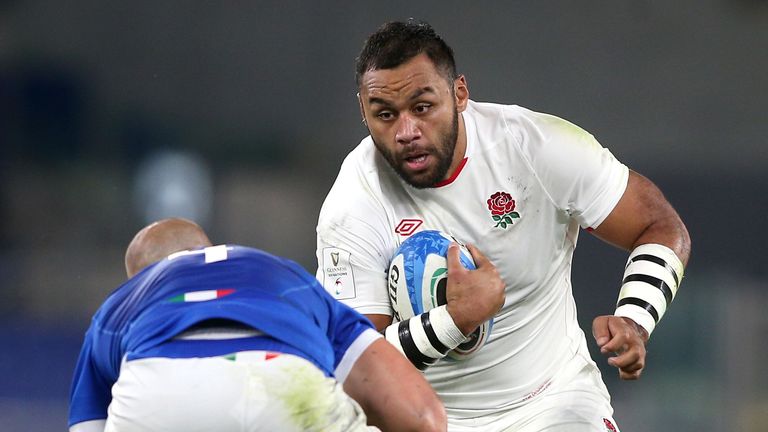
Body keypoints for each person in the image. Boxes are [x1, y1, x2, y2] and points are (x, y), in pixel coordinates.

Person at [315, 20, 691, 431]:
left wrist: (636, 318)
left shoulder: (534, 147)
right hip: (426, 418)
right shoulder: (354, 202)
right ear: (363, 112)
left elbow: (658, 225)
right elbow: (356, 366)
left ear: (459, 93)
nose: (406, 131)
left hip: (554, 402)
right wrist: (455, 321)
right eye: (385, 114)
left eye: (422, 107)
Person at [69, 218, 446, 432]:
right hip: (284, 386)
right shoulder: (286, 279)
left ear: (142, 277)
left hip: (156, 396)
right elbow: (419, 416)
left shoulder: (121, 305)